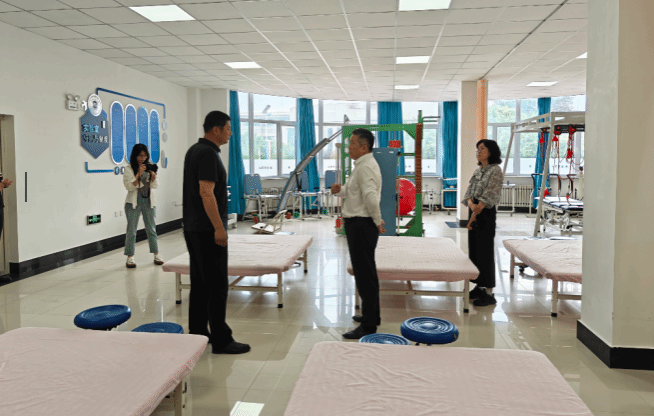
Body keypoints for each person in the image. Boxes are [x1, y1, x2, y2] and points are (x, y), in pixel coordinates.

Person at [183, 110, 250, 355]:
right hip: (207, 230)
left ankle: (198, 334)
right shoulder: (208, 154)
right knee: (216, 285)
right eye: (228, 128)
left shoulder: (194, 150)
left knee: (200, 283)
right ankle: (222, 340)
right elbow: (206, 193)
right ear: (216, 129)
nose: (231, 133)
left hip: (193, 228)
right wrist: (219, 228)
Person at [331, 128, 385, 340]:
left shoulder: (365, 167)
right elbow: (352, 191)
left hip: (362, 224)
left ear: (363, 147)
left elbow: (371, 197)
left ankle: (369, 325)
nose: (349, 147)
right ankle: (371, 315)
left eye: (352, 143)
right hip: (359, 223)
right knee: (365, 273)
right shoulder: (361, 165)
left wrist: (377, 221)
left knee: (365, 275)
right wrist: (340, 190)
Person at [462, 139, 504, 307]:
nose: (478, 152)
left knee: (485, 252)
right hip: (473, 209)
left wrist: (477, 208)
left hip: (485, 212)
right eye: (477, 149)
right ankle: (479, 287)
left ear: (491, 152)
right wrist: (471, 205)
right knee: (475, 251)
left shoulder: (495, 170)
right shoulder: (478, 170)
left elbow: (490, 193)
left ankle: (489, 292)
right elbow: (469, 192)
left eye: (482, 149)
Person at [123, 144, 163, 268]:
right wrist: (138, 174)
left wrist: (153, 177)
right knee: (131, 231)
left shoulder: (150, 166)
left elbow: (155, 186)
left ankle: (156, 255)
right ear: (135, 155)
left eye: (145, 155)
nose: (143, 158)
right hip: (133, 202)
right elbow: (129, 187)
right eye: (140, 155)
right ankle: (130, 257)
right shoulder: (129, 169)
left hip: (149, 201)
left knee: (151, 229)